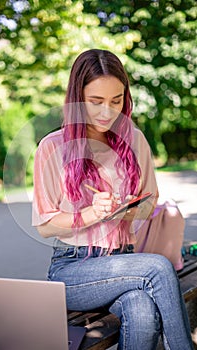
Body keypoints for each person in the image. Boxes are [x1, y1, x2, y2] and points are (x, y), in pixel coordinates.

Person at [32, 49, 193, 349]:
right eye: (96, 102)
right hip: (73, 269)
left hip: (123, 260)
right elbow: (46, 225)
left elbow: (150, 202)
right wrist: (92, 214)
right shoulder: (51, 148)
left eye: (116, 101)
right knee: (158, 267)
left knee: (142, 311)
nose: (107, 111)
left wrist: (126, 210)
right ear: (77, 98)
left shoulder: (134, 141)